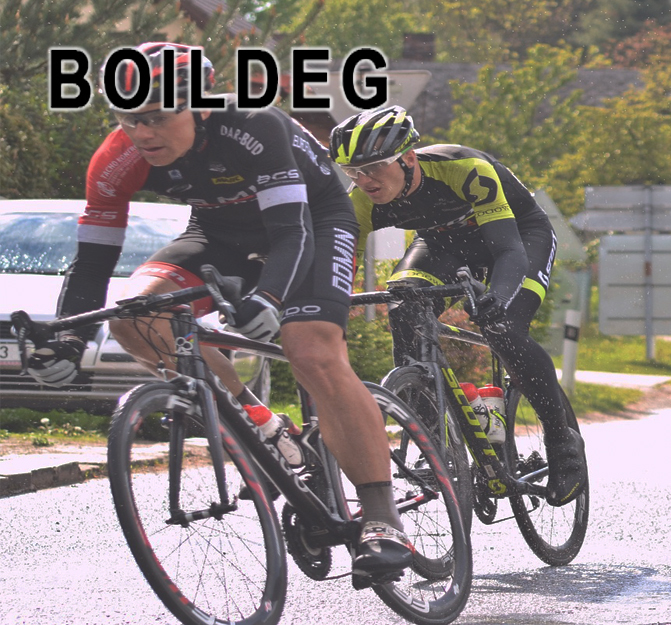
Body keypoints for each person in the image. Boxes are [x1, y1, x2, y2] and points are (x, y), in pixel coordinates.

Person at [23, 43, 414, 575]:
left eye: (158, 117)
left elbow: (290, 231)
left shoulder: (254, 126)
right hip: (217, 232)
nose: (142, 133)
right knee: (135, 315)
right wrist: (68, 341)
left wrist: (270, 300)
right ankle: (264, 426)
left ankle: (381, 516)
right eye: (129, 118)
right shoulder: (116, 159)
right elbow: (93, 261)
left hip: (313, 225)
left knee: (311, 351)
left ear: (201, 106)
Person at [329, 106, 585, 507]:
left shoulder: (463, 168)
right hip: (442, 241)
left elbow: (509, 252)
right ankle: (435, 447)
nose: (365, 180)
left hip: (516, 236)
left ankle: (562, 438)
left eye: (375, 167)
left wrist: (496, 301)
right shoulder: (361, 201)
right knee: (404, 306)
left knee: (502, 329)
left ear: (408, 158)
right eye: (353, 171)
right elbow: (341, 263)